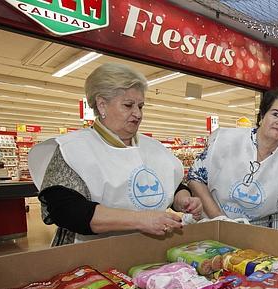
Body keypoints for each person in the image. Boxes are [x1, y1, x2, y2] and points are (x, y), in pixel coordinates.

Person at [29, 63, 202, 245]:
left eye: (141, 106)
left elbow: (170, 185)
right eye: (128, 105)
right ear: (102, 105)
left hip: (148, 250)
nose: (137, 114)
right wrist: (140, 220)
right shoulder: (73, 148)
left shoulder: (153, 147)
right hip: (91, 253)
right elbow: (65, 209)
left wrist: (183, 199)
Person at [187, 88, 278, 233]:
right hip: (210, 228)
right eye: (275, 114)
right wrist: (221, 220)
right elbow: (195, 177)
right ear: (262, 116)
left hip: (251, 238)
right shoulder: (226, 140)